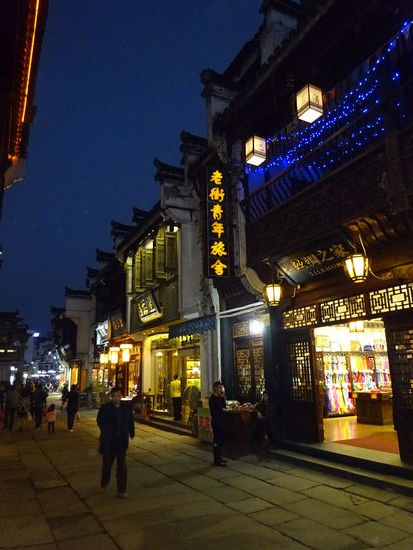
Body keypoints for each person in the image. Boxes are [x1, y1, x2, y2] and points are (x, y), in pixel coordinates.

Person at [97, 386, 135, 497]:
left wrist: (131, 432)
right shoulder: (105, 408)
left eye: (118, 395)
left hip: (121, 441)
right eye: (114, 396)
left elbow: (130, 420)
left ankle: (121, 490)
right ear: (111, 397)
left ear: (121, 396)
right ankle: (104, 482)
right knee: (107, 464)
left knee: (122, 465)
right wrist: (106, 430)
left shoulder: (126, 408)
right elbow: (100, 421)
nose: (116, 398)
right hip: (109, 441)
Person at [209, 381, 228, 467]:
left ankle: (219, 457)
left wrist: (223, 397)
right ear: (215, 388)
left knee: (222, 440)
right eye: (220, 387)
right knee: (217, 441)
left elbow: (224, 406)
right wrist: (221, 410)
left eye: (221, 387)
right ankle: (216, 460)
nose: (221, 389)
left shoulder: (220, 397)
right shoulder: (212, 399)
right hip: (216, 422)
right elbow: (215, 411)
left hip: (222, 421)